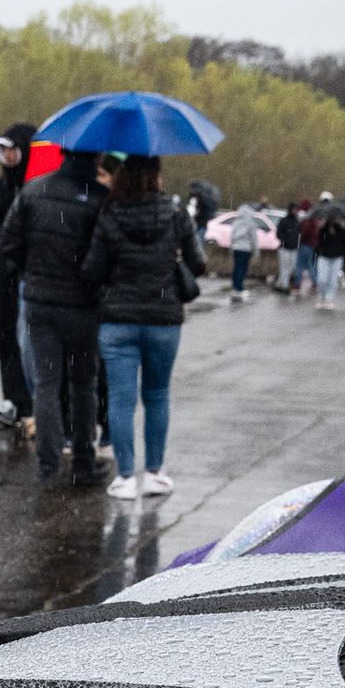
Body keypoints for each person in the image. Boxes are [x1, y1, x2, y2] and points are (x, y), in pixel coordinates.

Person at [81, 154, 205, 502]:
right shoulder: (176, 213)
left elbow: (92, 270)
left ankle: (124, 477)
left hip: (118, 321)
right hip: (163, 321)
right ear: (156, 176)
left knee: (121, 400)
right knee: (157, 394)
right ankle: (154, 473)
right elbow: (198, 264)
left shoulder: (109, 213)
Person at [0, 148, 109, 487]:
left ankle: (48, 464)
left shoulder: (34, 189)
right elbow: (106, 255)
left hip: (40, 301)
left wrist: (32, 272)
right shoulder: (100, 198)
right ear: (97, 157)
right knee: (83, 384)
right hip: (83, 304)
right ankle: (83, 460)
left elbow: (8, 243)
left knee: (46, 384)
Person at [0, 124, 35, 433]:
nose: (7, 156)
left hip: (30, 272)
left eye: (12, 149)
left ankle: (35, 402)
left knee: (28, 341)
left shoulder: (37, 185)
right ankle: (14, 399)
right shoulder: (4, 186)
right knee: (6, 335)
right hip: (4, 272)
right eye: (3, 150)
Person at [314, 204, 345, 310]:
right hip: (324, 255)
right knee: (322, 278)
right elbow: (319, 242)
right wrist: (326, 233)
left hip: (337, 257)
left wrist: (339, 231)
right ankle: (321, 297)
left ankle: (329, 298)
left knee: (333, 280)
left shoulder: (341, 228)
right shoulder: (323, 228)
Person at [228, 203, 263, 302]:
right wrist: (256, 251)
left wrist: (231, 247)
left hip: (236, 248)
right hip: (246, 249)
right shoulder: (251, 223)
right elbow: (254, 238)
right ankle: (239, 287)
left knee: (236, 268)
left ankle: (235, 286)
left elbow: (232, 236)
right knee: (242, 268)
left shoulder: (236, 222)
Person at [275, 203, 300, 294]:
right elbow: (278, 234)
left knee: (292, 267)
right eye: (294, 209)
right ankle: (285, 286)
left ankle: (279, 283)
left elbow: (299, 233)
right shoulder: (284, 221)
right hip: (284, 248)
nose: (295, 211)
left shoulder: (296, 221)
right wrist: (286, 240)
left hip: (294, 248)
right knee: (284, 267)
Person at [296, 202, 321, 295]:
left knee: (300, 265)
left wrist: (300, 237)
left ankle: (297, 283)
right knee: (310, 264)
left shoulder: (307, 221)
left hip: (304, 245)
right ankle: (314, 282)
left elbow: (303, 233)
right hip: (312, 245)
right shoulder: (315, 222)